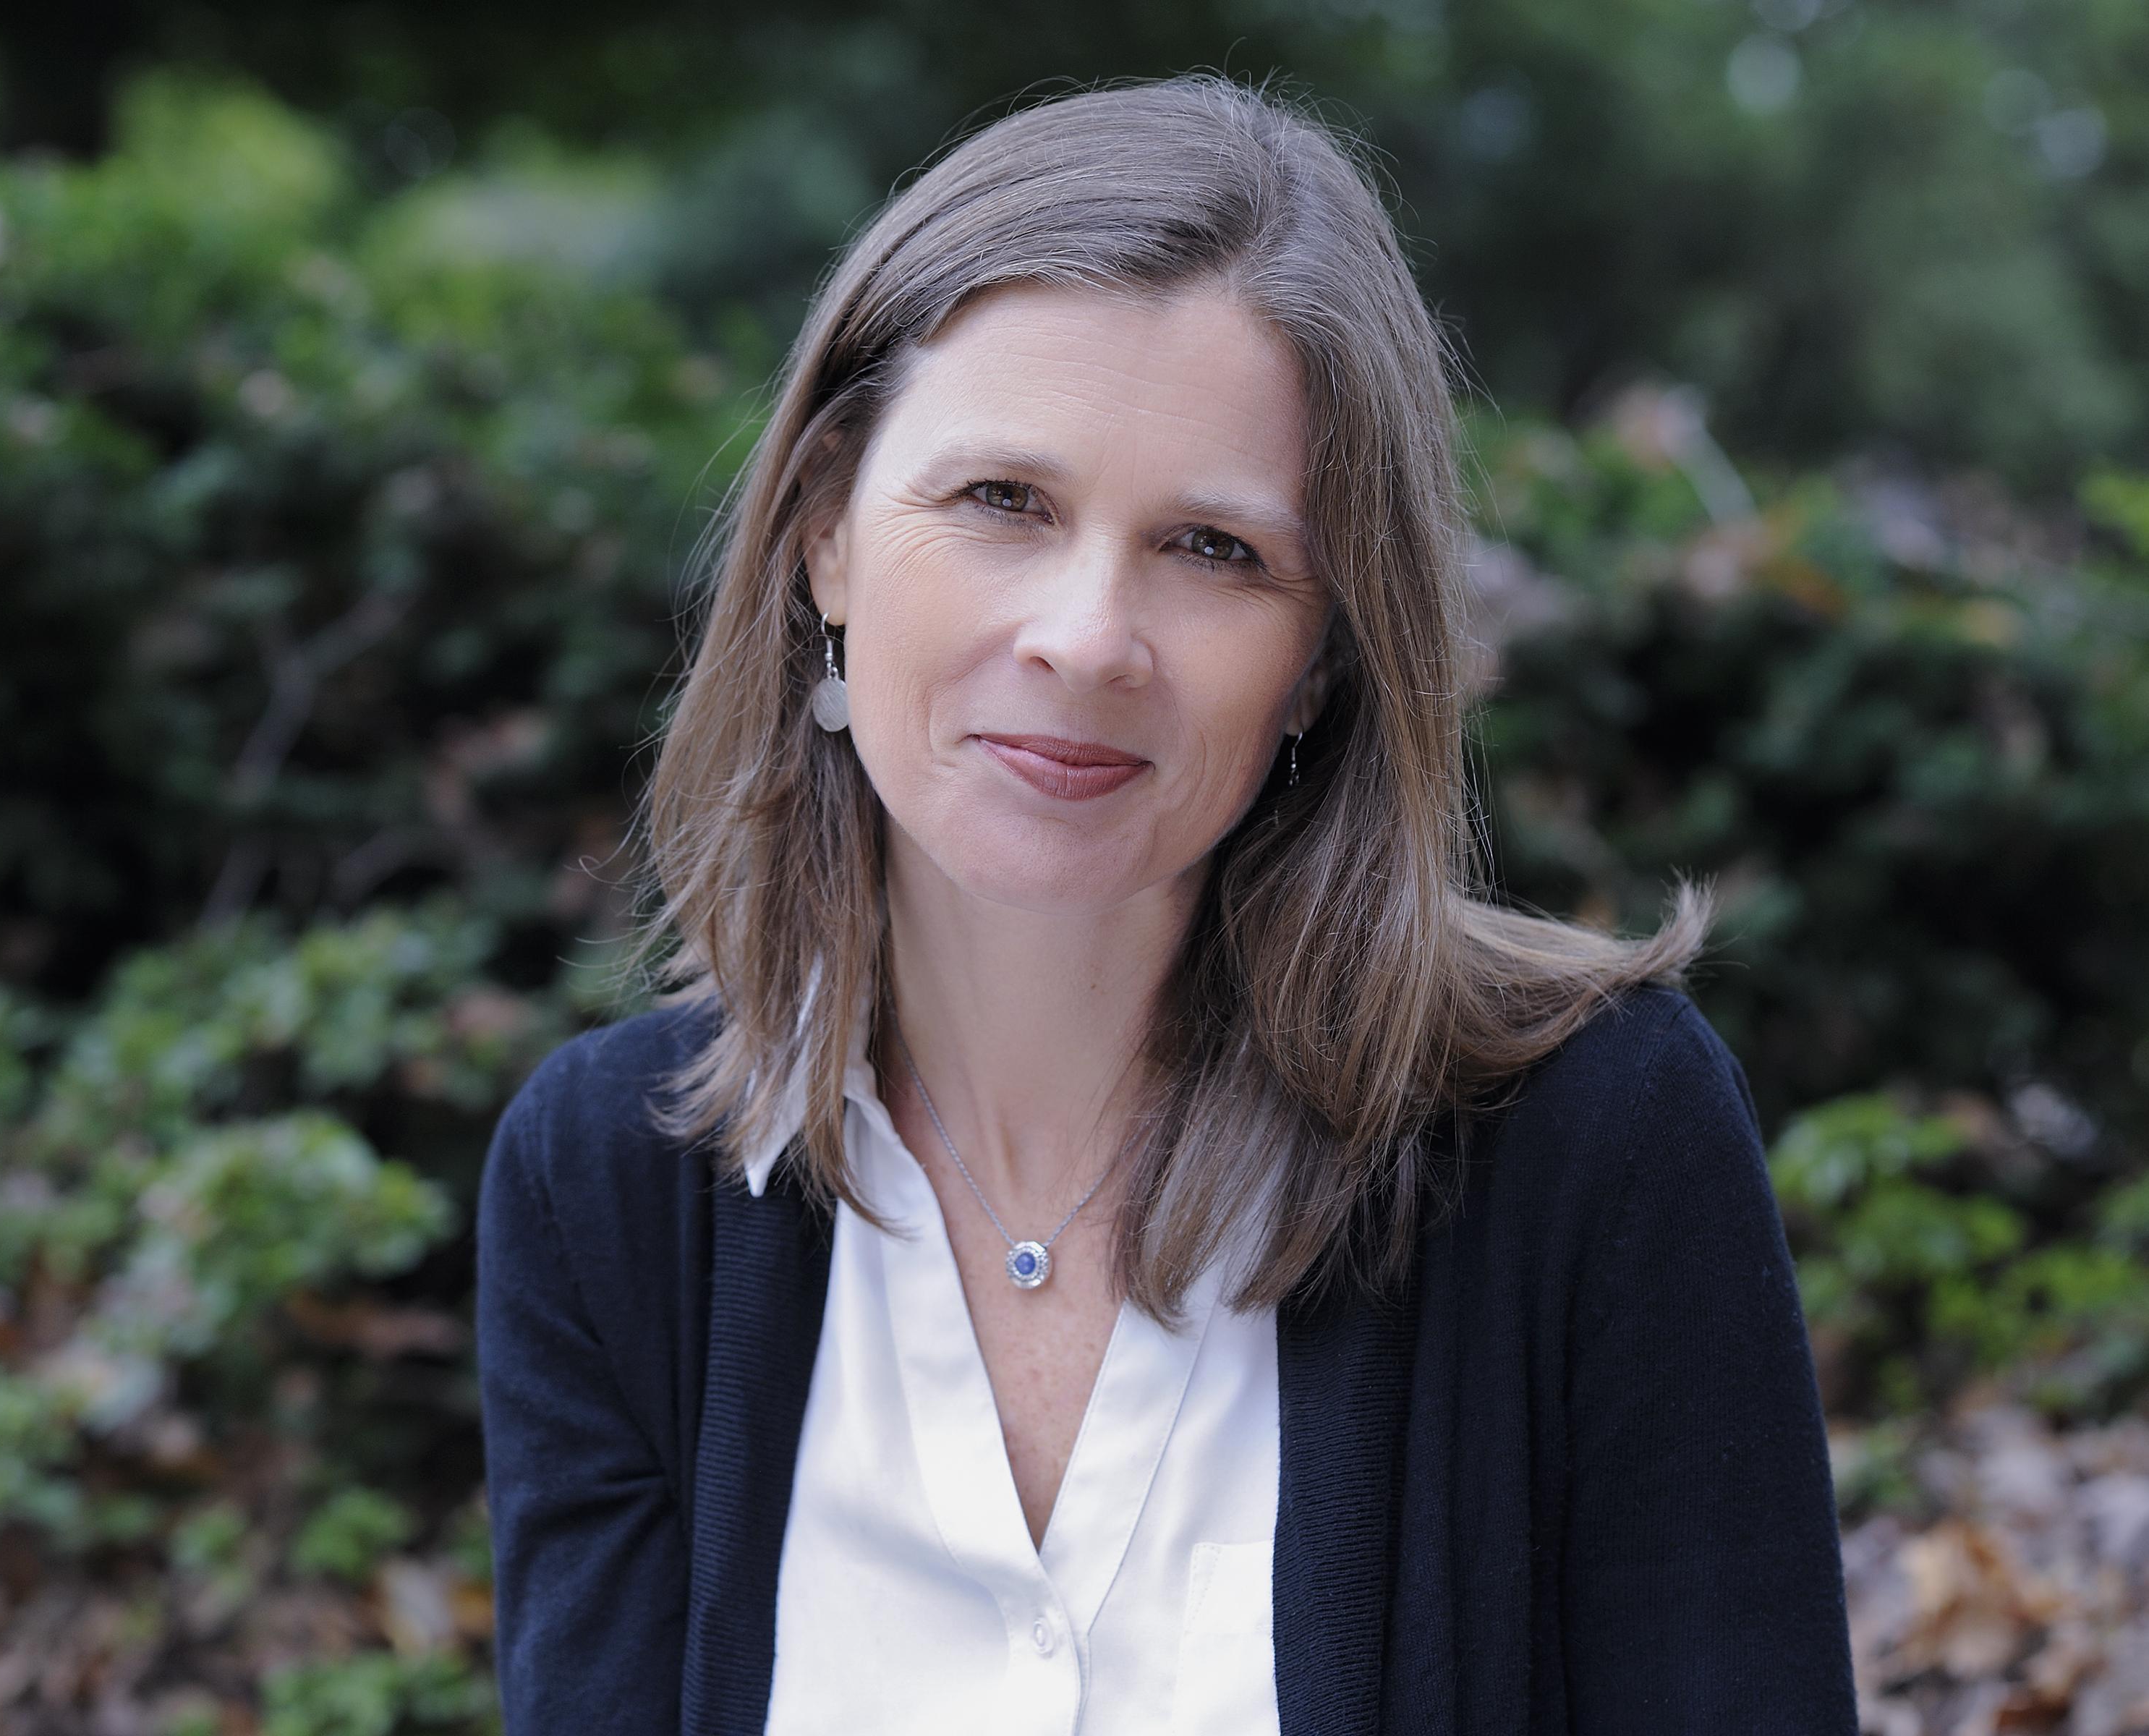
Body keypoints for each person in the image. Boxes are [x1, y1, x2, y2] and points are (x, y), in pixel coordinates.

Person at [475, 72, 1857, 1736]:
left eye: (1212, 549)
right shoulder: (606, 1192)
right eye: (1003, 503)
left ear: (1324, 657)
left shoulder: (1598, 1146)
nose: (1085, 637)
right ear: (825, 534)